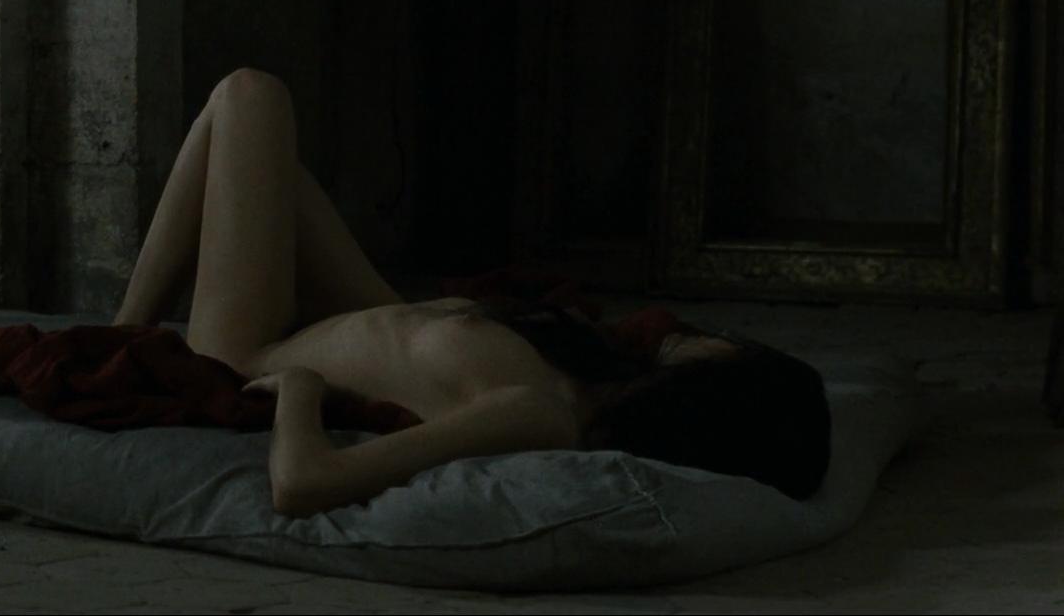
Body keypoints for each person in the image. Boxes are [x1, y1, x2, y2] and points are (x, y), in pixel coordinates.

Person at [113, 68, 831, 516]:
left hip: (252, 350)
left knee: (249, 96)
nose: (717, 337)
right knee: (254, 145)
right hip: (369, 313)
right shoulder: (589, 371)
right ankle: (122, 330)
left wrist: (298, 388)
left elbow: (305, 485)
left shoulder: (540, 416)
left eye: (732, 351)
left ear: (711, 395)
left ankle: (122, 332)